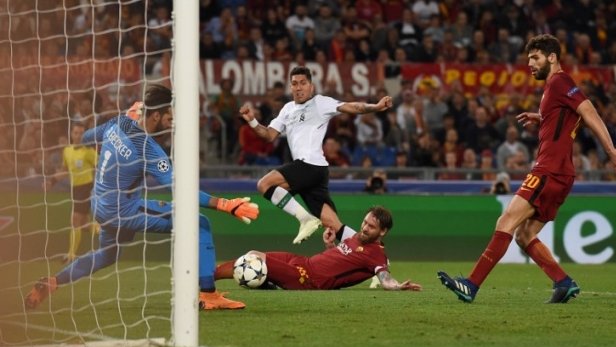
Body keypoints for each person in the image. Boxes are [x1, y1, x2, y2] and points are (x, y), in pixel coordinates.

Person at [25, 85, 259, 311]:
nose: (173, 119)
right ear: (155, 115)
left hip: (99, 204)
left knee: (107, 255)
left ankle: (53, 283)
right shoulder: (148, 148)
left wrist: (111, 147)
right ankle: (208, 294)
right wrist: (223, 204)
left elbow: (86, 137)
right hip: (123, 210)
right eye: (170, 115)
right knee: (199, 223)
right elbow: (180, 189)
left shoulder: (120, 121)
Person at [437, 34, 616, 304]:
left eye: (535, 58)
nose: (529, 64)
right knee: (524, 234)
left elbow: (590, 112)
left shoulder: (560, 81)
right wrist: (542, 117)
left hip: (548, 170)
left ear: (552, 57)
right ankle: (563, 283)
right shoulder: (554, 89)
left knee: (506, 222)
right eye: (528, 58)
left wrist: (610, 150)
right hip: (563, 174)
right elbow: (571, 117)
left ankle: (470, 285)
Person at [238, 66, 393, 244]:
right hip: (312, 173)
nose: (298, 87)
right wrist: (252, 120)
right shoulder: (287, 109)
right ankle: (374, 253)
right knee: (334, 225)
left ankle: (305, 219)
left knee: (264, 184)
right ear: (291, 87)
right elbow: (268, 135)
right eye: (294, 84)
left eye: (303, 83)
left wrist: (376, 106)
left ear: (311, 86)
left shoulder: (320, 103)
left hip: (310, 165)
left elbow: (352, 107)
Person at [214, 206, 422, 291]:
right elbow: (342, 262)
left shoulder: (376, 254)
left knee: (255, 259)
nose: (365, 228)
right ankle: (209, 276)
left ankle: (205, 280)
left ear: (383, 232)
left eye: (371, 227)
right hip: (303, 263)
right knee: (252, 253)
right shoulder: (357, 239)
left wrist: (396, 286)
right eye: (365, 222)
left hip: (307, 279)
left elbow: (384, 276)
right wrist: (330, 246)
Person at [45, 123, 98, 264]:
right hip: (75, 189)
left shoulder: (88, 151)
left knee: (75, 220)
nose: (79, 135)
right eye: (76, 133)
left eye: (81, 133)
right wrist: (52, 181)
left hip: (87, 188)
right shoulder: (67, 151)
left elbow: (101, 166)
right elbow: (64, 169)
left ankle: (71, 255)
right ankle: (107, 230)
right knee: (84, 225)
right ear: (72, 134)